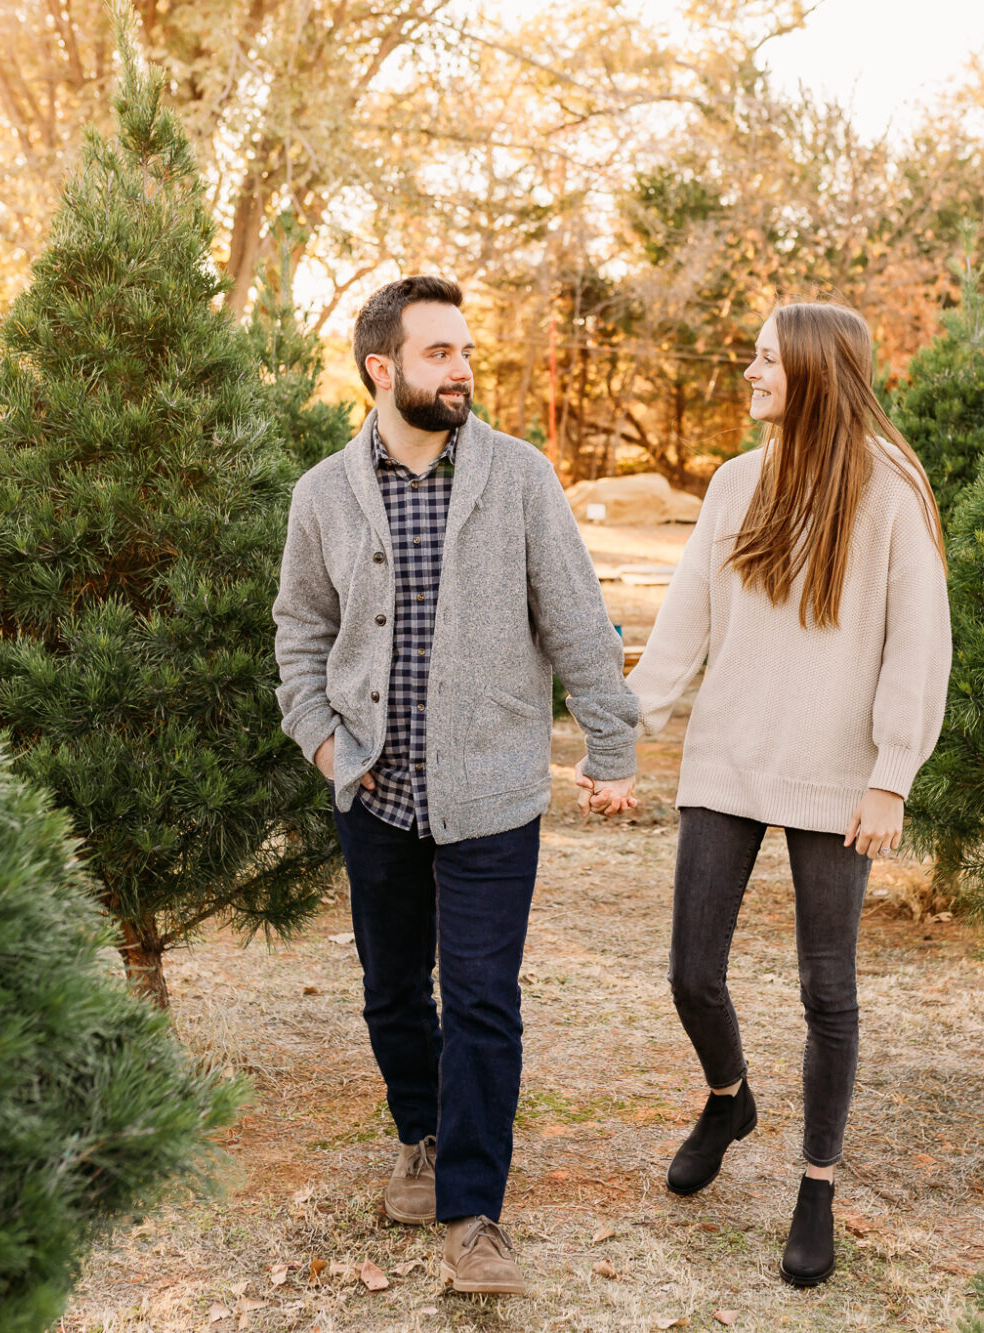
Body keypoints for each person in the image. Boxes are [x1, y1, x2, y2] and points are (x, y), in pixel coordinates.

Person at [272, 275, 639, 1297]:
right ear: (381, 369)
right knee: (392, 990)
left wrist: (609, 745)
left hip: (491, 794)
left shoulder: (518, 478)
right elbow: (298, 632)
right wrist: (322, 745)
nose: (462, 369)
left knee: (480, 997)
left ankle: (474, 1214)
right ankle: (419, 1136)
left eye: (466, 351)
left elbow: (573, 614)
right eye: (439, 354)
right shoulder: (323, 495)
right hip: (373, 792)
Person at [622, 300, 951, 1287]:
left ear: (811, 371)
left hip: (836, 773)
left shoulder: (889, 490)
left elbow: (917, 642)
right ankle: (729, 1097)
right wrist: (620, 729)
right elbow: (682, 623)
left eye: (764, 360)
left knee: (826, 988)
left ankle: (815, 1183)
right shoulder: (732, 485)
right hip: (729, 755)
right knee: (690, 971)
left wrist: (891, 774)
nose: (749, 374)